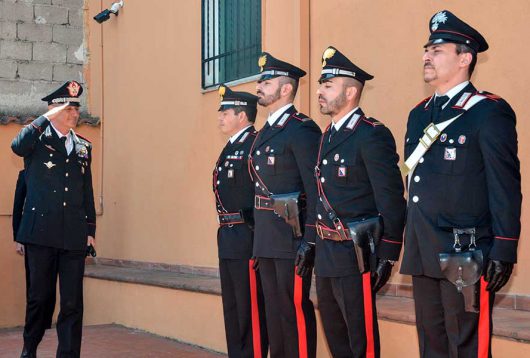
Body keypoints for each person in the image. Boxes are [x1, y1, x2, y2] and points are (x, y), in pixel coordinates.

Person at [400, 10, 521, 357]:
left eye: (437, 50)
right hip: (424, 248)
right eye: (426, 49)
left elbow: (504, 186)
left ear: (465, 58)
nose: (427, 56)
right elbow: (416, 181)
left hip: (464, 252)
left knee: (466, 345)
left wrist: (503, 248)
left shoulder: (487, 112)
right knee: (432, 342)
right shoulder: (419, 114)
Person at [314, 46, 406, 358]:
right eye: (321, 85)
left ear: (351, 92)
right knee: (337, 338)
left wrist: (388, 254)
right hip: (327, 253)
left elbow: (391, 199)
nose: (320, 91)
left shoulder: (370, 135)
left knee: (360, 343)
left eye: (328, 85)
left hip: (356, 254)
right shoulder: (327, 135)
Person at [11, 80, 97, 358]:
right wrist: (45, 117)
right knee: (41, 300)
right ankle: (29, 349)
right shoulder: (36, 140)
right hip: (41, 234)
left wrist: (90, 230)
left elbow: (87, 192)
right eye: (69, 108)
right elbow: (17, 146)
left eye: (77, 108)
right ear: (54, 110)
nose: (75, 113)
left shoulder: (84, 146)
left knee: (72, 303)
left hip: (73, 234)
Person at [250, 52, 321, 358]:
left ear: (286, 89)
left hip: (291, 238)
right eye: (260, 80)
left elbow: (315, 188)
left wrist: (310, 239)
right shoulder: (264, 131)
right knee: (274, 314)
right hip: (266, 237)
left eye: (267, 81)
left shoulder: (301, 129)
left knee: (294, 311)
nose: (259, 86)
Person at [213, 84, 268, 357]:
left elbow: (262, 195)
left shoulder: (255, 145)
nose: (220, 117)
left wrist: (258, 239)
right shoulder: (230, 147)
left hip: (247, 236)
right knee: (233, 309)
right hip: (228, 235)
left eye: (226, 112)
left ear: (242, 116)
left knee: (250, 311)